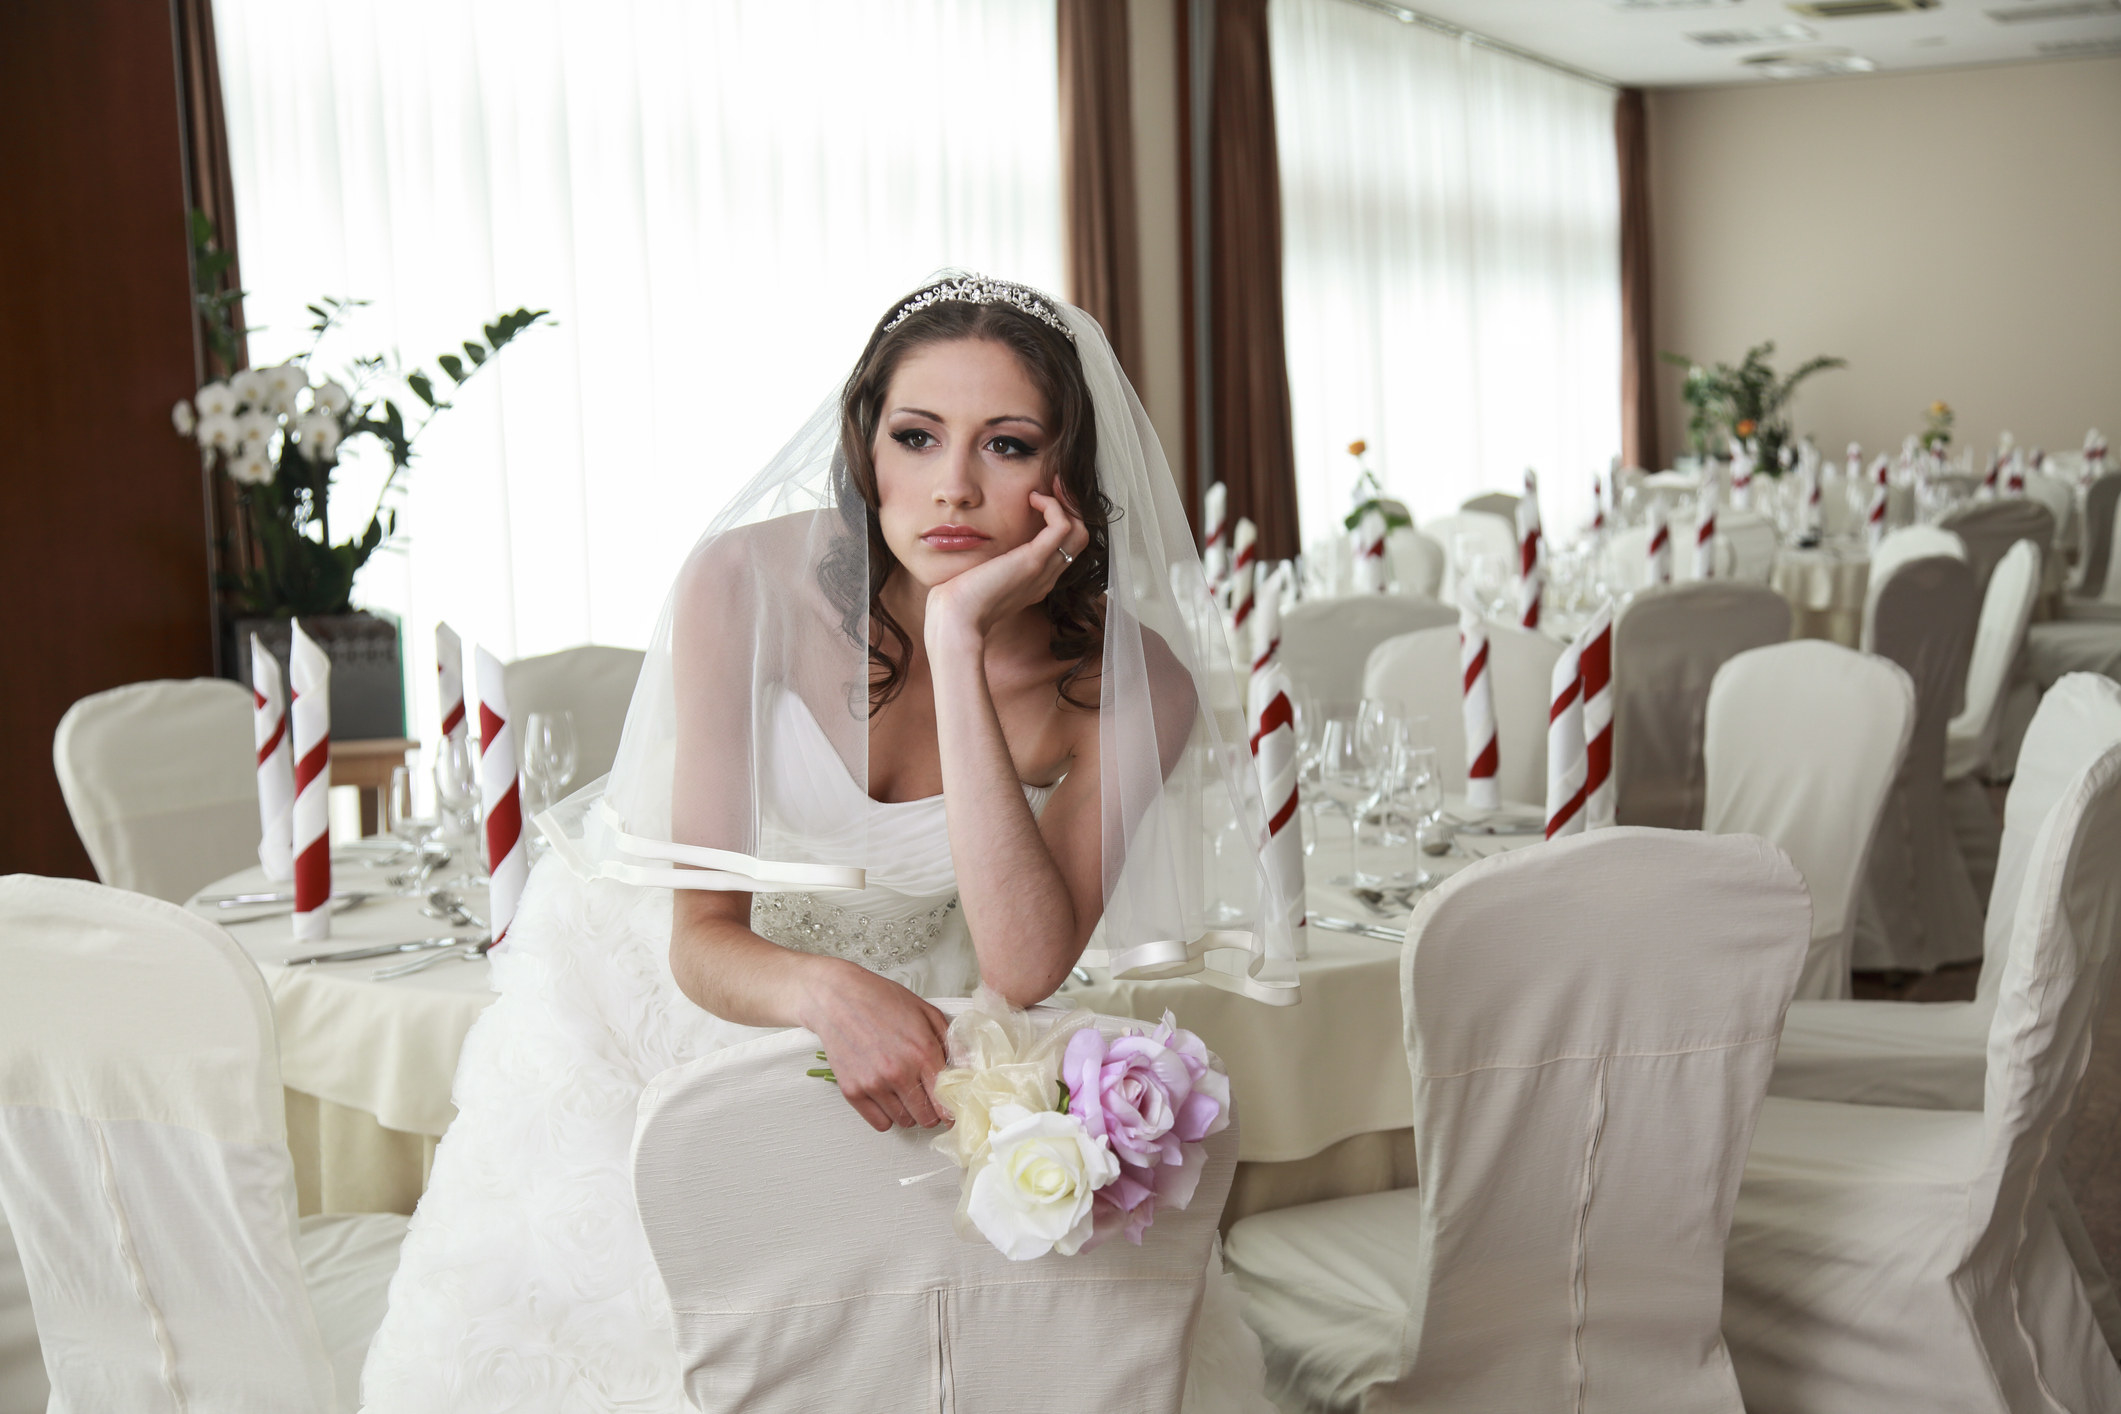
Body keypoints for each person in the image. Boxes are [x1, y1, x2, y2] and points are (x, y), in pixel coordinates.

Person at [359, 275, 1289, 1412]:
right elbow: (698, 935)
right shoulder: (745, 585)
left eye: (1005, 444)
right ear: (867, 448)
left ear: (1067, 480)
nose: (952, 485)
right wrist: (823, 991)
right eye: (917, 436)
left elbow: (1025, 964)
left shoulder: (1134, 684)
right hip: (649, 993)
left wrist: (955, 640)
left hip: (906, 1010)